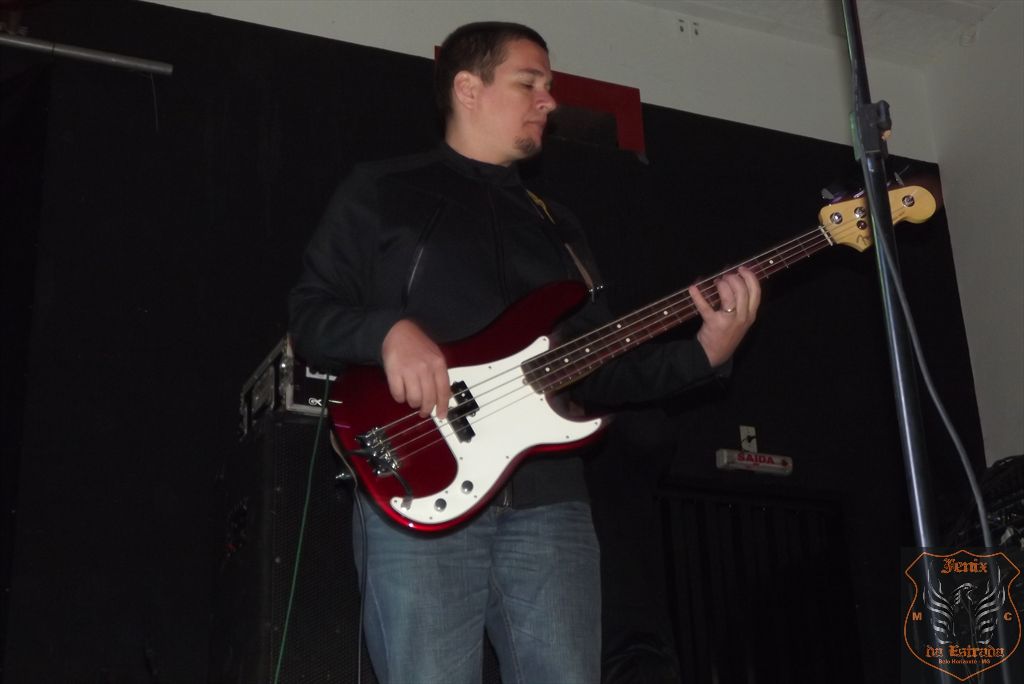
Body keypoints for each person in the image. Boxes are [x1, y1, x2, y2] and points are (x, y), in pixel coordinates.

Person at [289, 21, 760, 684]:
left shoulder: (556, 225)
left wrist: (706, 352)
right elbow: (311, 312)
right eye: (528, 83)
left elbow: (600, 367)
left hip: (550, 503)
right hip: (420, 478)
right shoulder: (381, 190)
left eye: (548, 86)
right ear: (468, 88)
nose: (549, 100)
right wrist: (387, 332)